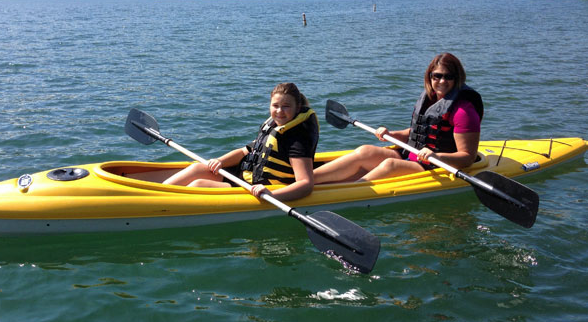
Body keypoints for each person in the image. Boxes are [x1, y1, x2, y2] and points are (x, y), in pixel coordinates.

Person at [314, 53, 483, 183]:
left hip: (435, 166)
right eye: (437, 76)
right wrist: (392, 134)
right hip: (410, 155)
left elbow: (467, 157)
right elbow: (420, 132)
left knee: (390, 165)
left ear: (457, 78)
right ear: (430, 76)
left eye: (448, 76)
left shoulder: (463, 111)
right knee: (365, 151)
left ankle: (347, 191)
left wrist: (437, 157)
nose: (442, 81)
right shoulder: (431, 99)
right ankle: (307, 180)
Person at [163, 82, 319, 201]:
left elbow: (305, 184)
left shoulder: (297, 139)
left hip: (261, 188)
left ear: (297, 108)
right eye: (275, 106)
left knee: (198, 185)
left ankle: (163, 206)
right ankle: (159, 194)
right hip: (244, 177)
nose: (279, 111)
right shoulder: (273, 126)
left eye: (286, 106)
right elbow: (245, 151)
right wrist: (219, 161)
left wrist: (272, 194)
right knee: (198, 168)